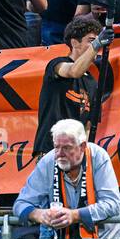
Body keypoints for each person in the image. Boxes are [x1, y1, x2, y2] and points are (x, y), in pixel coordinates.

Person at [34, 16, 106, 155]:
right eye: (91, 40)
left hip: (75, 155)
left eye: (97, 41)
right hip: (50, 150)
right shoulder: (56, 64)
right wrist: (96, 45)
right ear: (74, 43)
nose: (97, 46)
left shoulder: (92, 82)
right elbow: (74, 71)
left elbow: (88, 126)